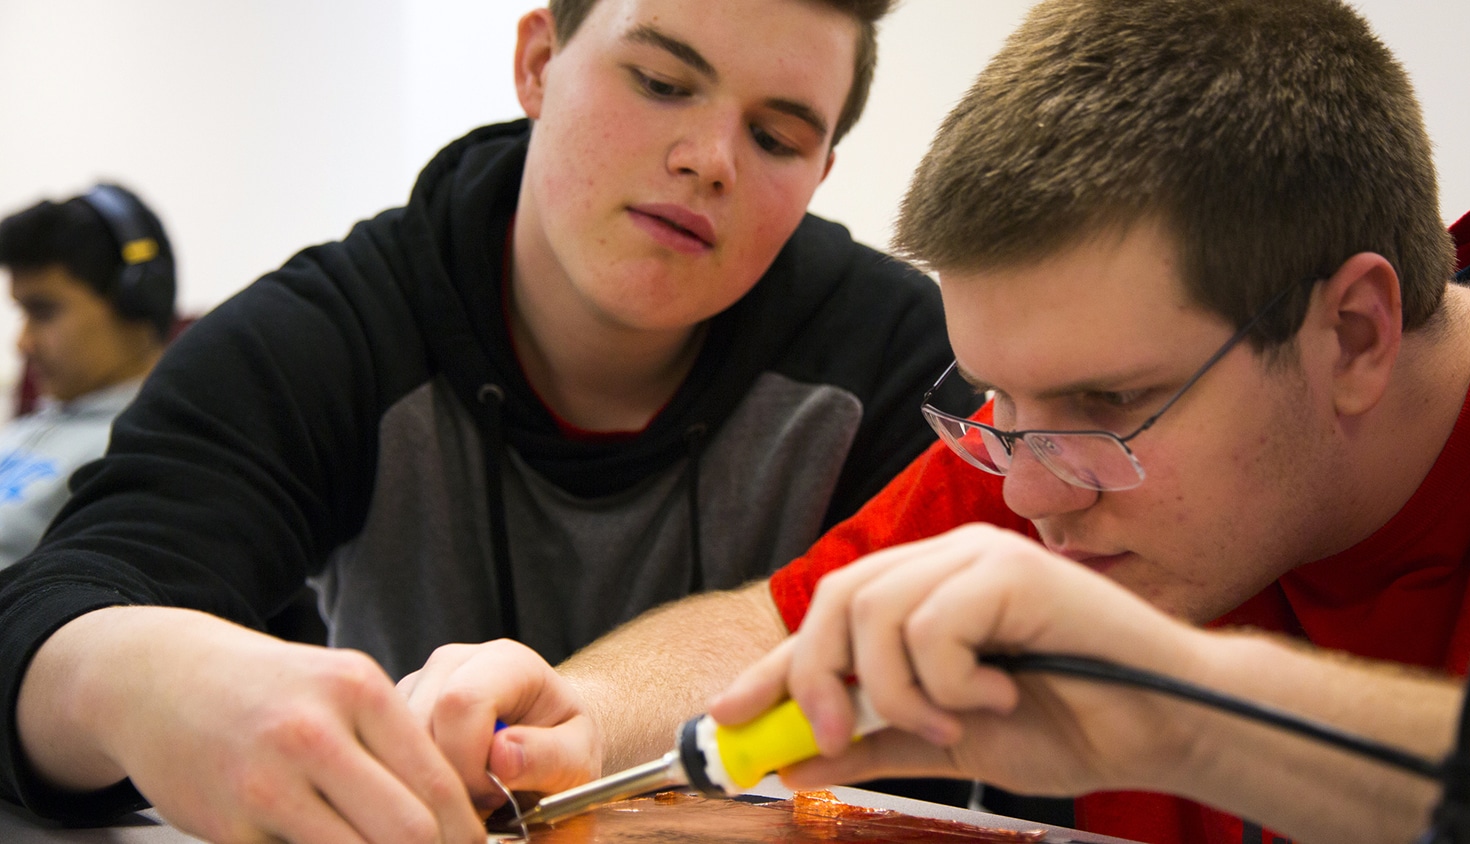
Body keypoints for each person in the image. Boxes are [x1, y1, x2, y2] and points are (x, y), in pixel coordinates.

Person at [392, 0, 1470, 842]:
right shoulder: (1060, 449)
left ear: (1353, 332)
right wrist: (580, 716)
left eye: (1108, 403)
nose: (1025, 496)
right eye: (996, 403)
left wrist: (1171, 713)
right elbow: (777, 627)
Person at [0, 0, 973, 841]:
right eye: (662, 81)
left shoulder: (907, 360)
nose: (709, 159)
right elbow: (60, 606)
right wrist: (135, 680)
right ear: (539, 63)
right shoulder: (329, 335)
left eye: (777, 138)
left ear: (823, 170)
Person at [0, 184, 176, 569]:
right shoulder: (29, 427)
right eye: (22, 313)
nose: (23, 343)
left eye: (43, 312)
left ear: (137, 301)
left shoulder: (145, 448)